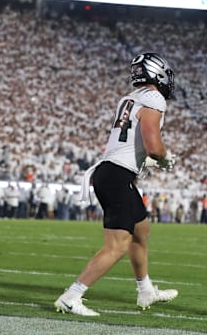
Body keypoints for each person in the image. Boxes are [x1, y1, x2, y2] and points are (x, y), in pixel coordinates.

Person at [54, 53, 178, 316]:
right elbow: (153, 145)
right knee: (118, 245)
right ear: (159, 74)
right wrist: (162, 158)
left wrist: (150, 159)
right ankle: (71, 296)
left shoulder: (129, 99)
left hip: (112, 172)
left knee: (141, 230)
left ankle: (145, 290)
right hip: (116, 176)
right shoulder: (154, 98)